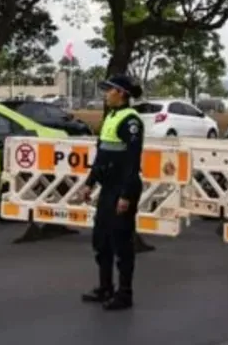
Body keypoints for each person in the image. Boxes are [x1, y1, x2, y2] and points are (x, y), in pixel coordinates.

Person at [80, 74, 145, 311]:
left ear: (122, 94)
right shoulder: (111, 117)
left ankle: (124, 293)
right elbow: (102, 156)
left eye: (110, 90)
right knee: (102, 240)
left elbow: (132, 161)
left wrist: (126, 196)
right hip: (108, 188)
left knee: (121, 242)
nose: (106, 94)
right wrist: (90, 182)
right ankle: (105, 286)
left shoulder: (131, 121)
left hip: (122, 188)